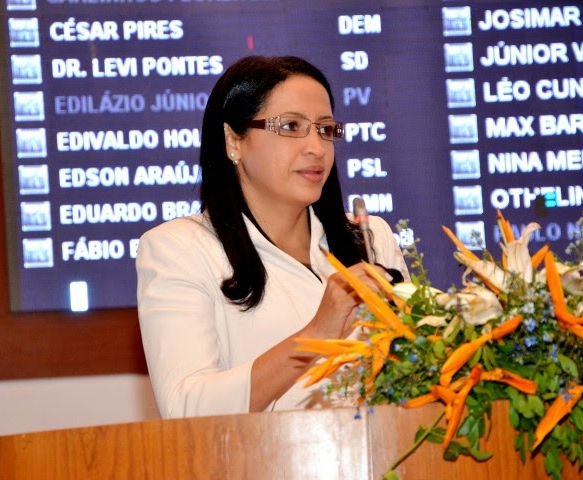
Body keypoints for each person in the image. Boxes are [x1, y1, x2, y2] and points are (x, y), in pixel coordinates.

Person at [136, 55, 409, 419]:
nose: (316, 147)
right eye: (292, 126)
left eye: (325, 129)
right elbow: (186, 408)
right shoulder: (178, 249)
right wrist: (315, 334)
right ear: (234, 140)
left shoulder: (370, 238)